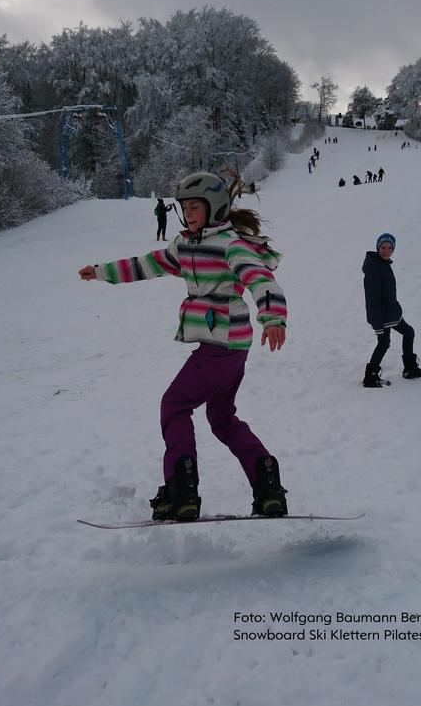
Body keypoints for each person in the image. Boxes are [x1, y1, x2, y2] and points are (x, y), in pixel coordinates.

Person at [78, 169, 288, 521]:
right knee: (222, 418)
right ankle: (268, 487)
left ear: (216, 207)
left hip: (221, 343)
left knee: (174, 405)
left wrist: (273, 317)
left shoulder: (231, 245)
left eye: (195, 207)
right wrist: (102, 272)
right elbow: (148, 264)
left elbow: (260, 279)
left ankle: (181, 491)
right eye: (184, 208)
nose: (188, 214)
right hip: (230, 347)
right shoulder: (185, 245)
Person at [362, 233, 421, 387]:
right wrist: (377, 323)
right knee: (384, 343)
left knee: (408, 332)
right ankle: (370, 377)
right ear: (378, 248)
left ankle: (410, 368)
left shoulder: (383, 264)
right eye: (383, 247)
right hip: (382, 316)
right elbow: (372, 299)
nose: (386, 250)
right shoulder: (374, 268)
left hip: (391, 313)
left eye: (390, 247)